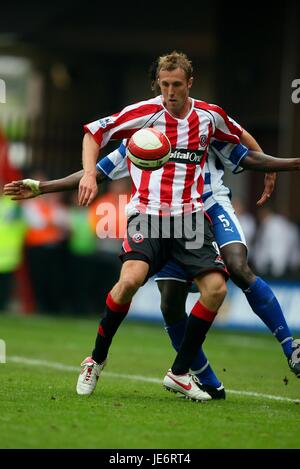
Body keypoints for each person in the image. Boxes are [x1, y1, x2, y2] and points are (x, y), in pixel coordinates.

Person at [5, 52, 300, 397]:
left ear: (190, 83)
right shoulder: (139, 130)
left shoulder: (208, 119)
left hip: (192, 218)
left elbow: (243, 145)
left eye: (177, 84)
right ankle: (96, 360)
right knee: (135, 284)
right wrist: (42, 186)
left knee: (219, 286)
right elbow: (95, 149)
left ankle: (184, 372)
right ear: (157, 85)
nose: (170, 91)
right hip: (147, 217)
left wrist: (282, 166)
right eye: (164, 85)